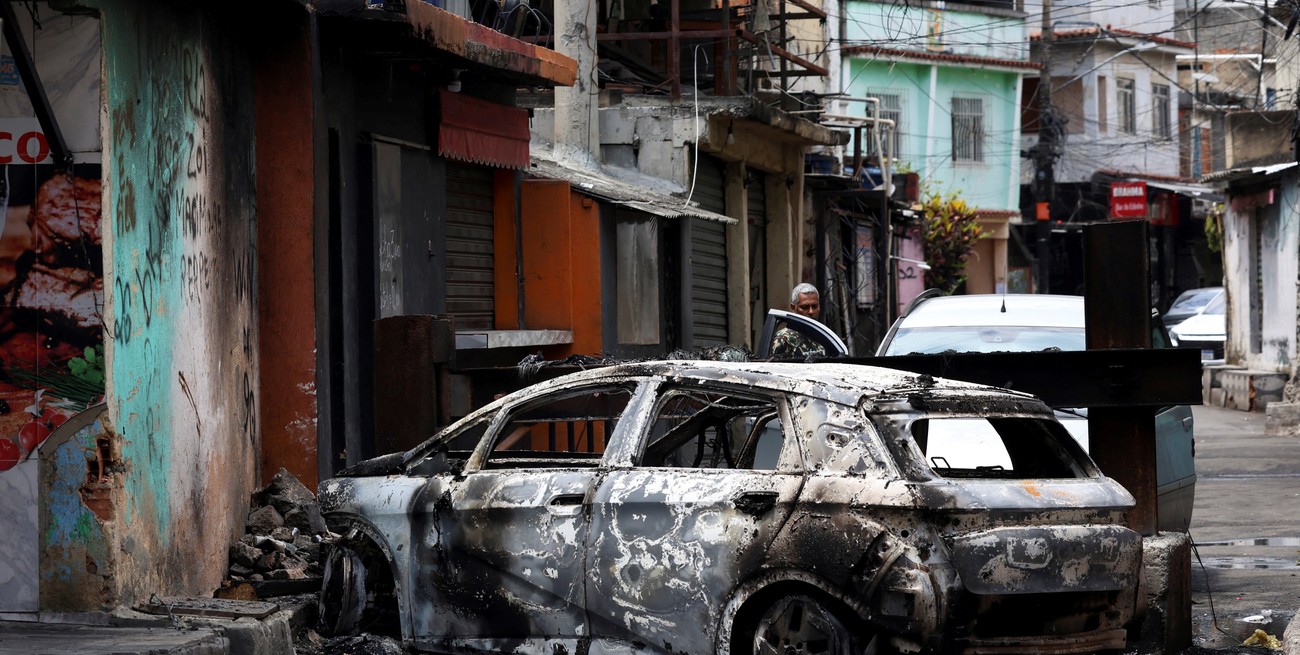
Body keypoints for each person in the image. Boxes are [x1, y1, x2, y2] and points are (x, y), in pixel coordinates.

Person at [770, 283, 826, 358]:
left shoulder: (823, 334)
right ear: (793, 308)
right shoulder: (783, 339)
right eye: (805, 307)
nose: (811, 312)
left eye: (814, 306)